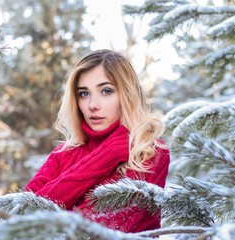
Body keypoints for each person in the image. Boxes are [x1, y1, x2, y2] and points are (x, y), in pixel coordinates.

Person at [25, 49, 170, 233]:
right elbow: (25, 216)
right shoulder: (65, 152)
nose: (93, 105)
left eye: (106, 91)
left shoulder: (149, 152)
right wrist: (107, 155)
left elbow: (99, 230)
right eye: (84, 93)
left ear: (127, 94)